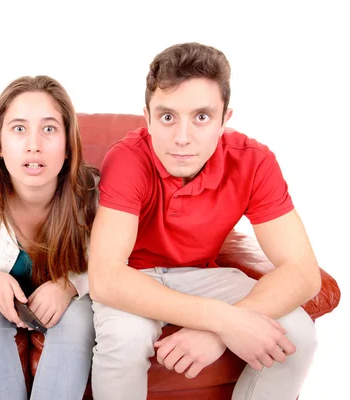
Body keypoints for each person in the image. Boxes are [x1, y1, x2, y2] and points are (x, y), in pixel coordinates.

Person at [88, 42, 320, 400]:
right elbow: (106, 278)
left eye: (201, 117)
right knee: (125, 342)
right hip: (134, 278)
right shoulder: (127, 159)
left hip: (203, 276)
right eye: (167, 117)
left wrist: (218, 330)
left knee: (296, 333)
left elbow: (303, 272)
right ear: (147, 117)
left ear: (225, 119)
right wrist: (224, 321)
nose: (182, 138)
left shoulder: (253, 161)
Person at [0, 75, 98, 400]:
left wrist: (70, 284)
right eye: (19, 129)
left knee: (78, 319)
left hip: (70, 294)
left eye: (49, 129)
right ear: (0, 146)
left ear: (67, 146)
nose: (34, 144)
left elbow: (119, 258)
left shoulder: (94, 195)